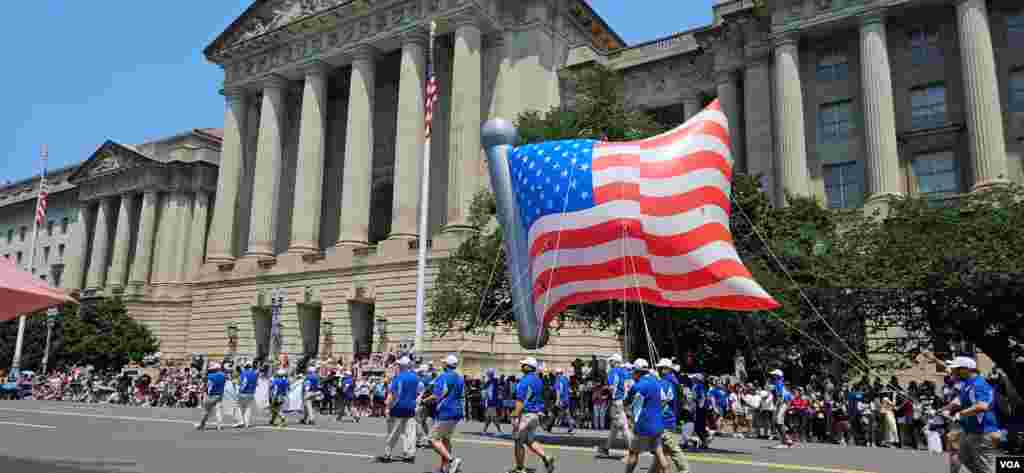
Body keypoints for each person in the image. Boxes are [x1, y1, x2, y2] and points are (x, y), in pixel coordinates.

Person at [944, 356, 999, 473]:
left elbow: (982, 406)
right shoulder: (968, 384)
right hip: (970, 431)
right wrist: (943, 410)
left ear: (966, 369)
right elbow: (959, 400)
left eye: (955, 369)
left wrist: (960, 414)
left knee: (985, 469)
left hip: (982, 433)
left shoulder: (978, 384)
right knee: (961, 461)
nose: (952, 371)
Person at [509, 357, 556, 473]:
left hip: (525, 414)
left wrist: (515, 415)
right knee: (529, 440)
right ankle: (546, 457)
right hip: (535, 415)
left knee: (518, 441)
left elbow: (520, 400)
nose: (522, 366)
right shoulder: (538, 380)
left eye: (524, 365)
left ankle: (520, 469)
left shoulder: (524, 381)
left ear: (529, 367)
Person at [421, 355, 465, 473]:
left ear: (446, 365)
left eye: (444, 363)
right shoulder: (460, 377)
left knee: (432, 439)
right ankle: (444, 468)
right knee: (445, 439)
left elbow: (436, 395)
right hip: (456, 411)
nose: (442, 364)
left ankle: (452, 460)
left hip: (446, 411)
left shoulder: (443, 376)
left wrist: (423, 401)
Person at [624, 359, 670, 473]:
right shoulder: (657, 383)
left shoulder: (638, 386)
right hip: (657, 424)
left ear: (638, 372)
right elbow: (664, 400)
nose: (633, 375)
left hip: (643, 425)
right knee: (659, 452)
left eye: (634, 372)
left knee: (633, 453)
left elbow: (627, 402)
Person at [380, 357, 418, 464]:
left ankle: (387, 453)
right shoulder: (415, 377)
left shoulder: (398, 378)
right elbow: (418, 391)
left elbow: (392, 395)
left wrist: (387, 407)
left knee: (393, 432)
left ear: (400, 366)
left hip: (398, 407)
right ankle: (410, 454)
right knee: (410, 432)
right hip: (411, 407)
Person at [655, 359, 690, 473]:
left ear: (666, 369)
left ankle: (684, 470)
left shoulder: (665, 383)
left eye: (660, 368)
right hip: (671, 417)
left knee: (672, 448)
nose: (658, 370)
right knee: (661, 450)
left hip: (665, 419)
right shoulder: (673, 381)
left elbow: (660, 402)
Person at [597, 353, 633, 457]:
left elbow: (612, 387)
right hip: (624, 401)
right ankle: (606, 448)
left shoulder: (613, 372)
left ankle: (632, 449)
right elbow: (630, 386)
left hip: (617, 401)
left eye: (611, 361)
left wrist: (604, 391)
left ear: (615, 362)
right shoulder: (625, 372)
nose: (610, 363)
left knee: (624, 427)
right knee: (614, 427)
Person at [195, 363, 226, 431]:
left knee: (206, 412)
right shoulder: (223, 375)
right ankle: (219, 425)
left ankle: (202, 424)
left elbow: (205, 382)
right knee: (218, 410)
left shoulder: (210, 376)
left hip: (210, 395)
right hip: (219, 395)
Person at [770, 369, 793, 448]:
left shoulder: (778, 384)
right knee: (778, 422)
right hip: (783, 403)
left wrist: (777, 406)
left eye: (774, 375)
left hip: (782, 404)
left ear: (778, 376)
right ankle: (787, 440)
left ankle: (784, 443)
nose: (773, 376)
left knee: (778, 422)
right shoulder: (778, 383)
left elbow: (780, 397)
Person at [549, 368, 576, 434]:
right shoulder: (565, 379)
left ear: (557, 374)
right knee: (567, 413)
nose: (555, 375)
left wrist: (557, 401)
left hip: (561, 400)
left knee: (554, 412)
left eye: (556, 374)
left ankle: (549, 426)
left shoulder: (558, 380)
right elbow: (570, 390)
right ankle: (571, 425)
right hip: (567, 400)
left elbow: (558, 391)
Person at [234, 360, 258, 429]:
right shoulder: (254, 374)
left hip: (243, 393)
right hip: (251, 393)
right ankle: (247, 423)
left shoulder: (244, 373)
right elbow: (256, 383)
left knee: (238, 407)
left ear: (245, 367)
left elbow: (244, 383)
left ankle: (240, 421)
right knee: (248, 408)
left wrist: (240, 390)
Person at [482, 368, 504, 434]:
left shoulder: (495, 380)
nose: (489, 375)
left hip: (493, 401)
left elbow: (501, 383)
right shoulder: (488, 382)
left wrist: (501, 377)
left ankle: (499, 430)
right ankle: (485, 430)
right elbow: (484, 389)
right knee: (489, 417)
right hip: (489, 401)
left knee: (493, 417)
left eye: (489, 373)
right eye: (489, 373)